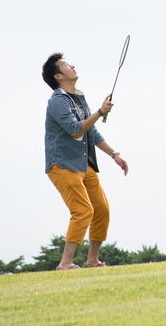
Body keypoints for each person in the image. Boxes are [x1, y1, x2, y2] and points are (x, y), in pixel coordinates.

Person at [42, 52, 130, 269]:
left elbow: (91, 132)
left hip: (83, 163)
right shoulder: (57, 102)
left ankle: (92, 261)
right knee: (83, 211)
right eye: (65, 65)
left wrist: (114, 154)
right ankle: (65, 263)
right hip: (62, 164)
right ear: (58, 77)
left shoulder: (79, 97)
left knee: (101, 209)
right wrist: (100, 111)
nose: (72, 66)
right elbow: (74, 130)